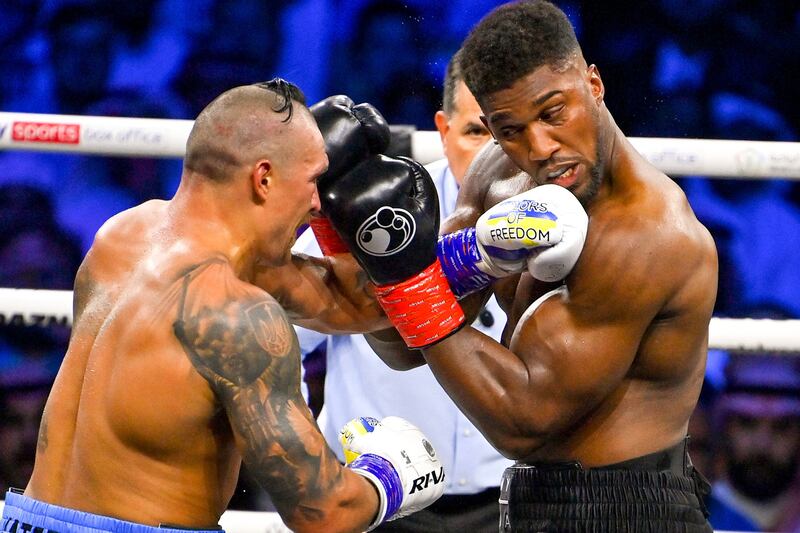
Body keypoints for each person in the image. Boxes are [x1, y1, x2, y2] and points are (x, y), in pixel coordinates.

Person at [319, 2, 718, 531]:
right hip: (527, 505)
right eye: (510, 129)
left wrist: (411, 283)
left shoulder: (649, 235)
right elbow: (402, 346)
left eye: (554, 113)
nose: (541, 147)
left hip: (631, 508)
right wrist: (358, 247)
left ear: (593, 85)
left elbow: (523, 421)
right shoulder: (497, 172)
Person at [1, 80, 445, 533]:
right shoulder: (236, 315)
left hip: (24, 519)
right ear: (264, 178)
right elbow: (324, 513)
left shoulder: (120, 237)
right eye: (314, 182)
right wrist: (389, 476)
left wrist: (460, 253)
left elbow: (352, 307)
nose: (318, 205)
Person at [293, 51, 513, 531]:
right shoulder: (368, 212)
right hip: (377, 497)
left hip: (510, 501)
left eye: (506, 132)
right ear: (444, 129)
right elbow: (273, 340)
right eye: (477, 131)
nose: (493, 154)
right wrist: (308, 464)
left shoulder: (553, 223)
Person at [711, 354, 800, 532]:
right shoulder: (691, 513)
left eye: (782, 427)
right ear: (724, 428)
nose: (763, 444)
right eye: (747, 423)